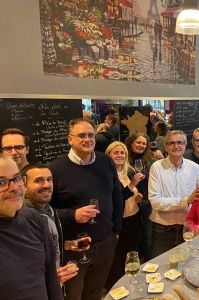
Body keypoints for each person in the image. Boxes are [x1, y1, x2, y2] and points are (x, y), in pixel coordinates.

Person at [50, 118, 123, 300]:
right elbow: (47, 212)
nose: (88, 139)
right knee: (73, 294)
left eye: (91, 135)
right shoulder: (55, 170)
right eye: (81, 135)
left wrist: (116, 231)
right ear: (69, 139)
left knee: (95, 291)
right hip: (74, 247)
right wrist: (72, 215)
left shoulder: (106, 162)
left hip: (105, 242)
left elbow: (117, 197)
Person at [0, 156, 63, 300]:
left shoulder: (33, 218)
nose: (14, 188)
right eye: (1, 182)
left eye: (16, 179)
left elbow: (51, 279)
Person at [148, 130, 199, 258]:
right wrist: (187, 200)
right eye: (172, 143)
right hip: (162, 231)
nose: (176, 146)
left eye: (180, 142)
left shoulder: (194, 167)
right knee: (160, 267)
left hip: (188, 228)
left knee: (187, 264)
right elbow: (155, 202)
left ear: (185, 145)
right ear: (166, 147)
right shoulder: (156, 167)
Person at [23, 163, 79, 285]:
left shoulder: (48, 209)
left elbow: (45, 246)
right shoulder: (23, 219)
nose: (47, 185)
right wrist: (49, 280)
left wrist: (68, 244)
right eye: (39, 181)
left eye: (49, 180)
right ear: (24, 187)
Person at [105, 141, 145, 289]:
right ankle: (116, 288)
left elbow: (137, 194)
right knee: (117, 258)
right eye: (116, 152)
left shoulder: (129, 171)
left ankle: (131, 285)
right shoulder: (106, 175)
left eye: (122, 153)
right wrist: (131, 185)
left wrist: (140, 198)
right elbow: (113, 201)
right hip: (118, 224)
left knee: (132, 255)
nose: (120, 155)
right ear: (108, 155)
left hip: (134, 220)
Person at [126, 131, 156, 261]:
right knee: (134, 236)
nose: (141, 145)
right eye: (138, 142)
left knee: (148, 237)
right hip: (130, 204)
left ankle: (148, 263)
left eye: (144, 143)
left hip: (147, 203)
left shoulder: (149, 160)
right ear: (131, 143)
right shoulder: (125, 160)